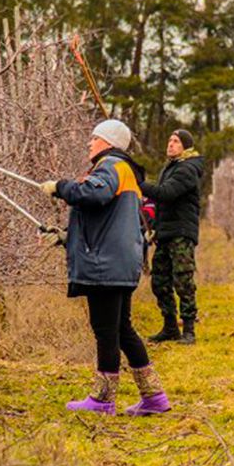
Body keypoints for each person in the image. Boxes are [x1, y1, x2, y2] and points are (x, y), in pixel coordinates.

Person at [39, 119, 170, 416]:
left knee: (106, 331)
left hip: (106, 266)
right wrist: (64, 237)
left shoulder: (111, 166)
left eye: (94, 138)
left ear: (108, 143)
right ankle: (154, 397)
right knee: (122, 329)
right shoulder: (124, 171)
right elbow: (105, 222)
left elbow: (93, 195)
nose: (90, 143)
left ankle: (102, 400)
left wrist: (61, 187)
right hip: (118, 263)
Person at [142, 129, 205, 345]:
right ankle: (170, 327)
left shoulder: (188, 169)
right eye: (169, 140)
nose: (170, 144)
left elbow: (166, 193)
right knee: (159, 280)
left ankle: (188, 329)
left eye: (176, 141)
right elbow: (161, 200)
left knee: (183, 280)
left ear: (185, 146)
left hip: (181, 232)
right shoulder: (170, 168)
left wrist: (138, 184)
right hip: (166, 232)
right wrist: (154, 226)